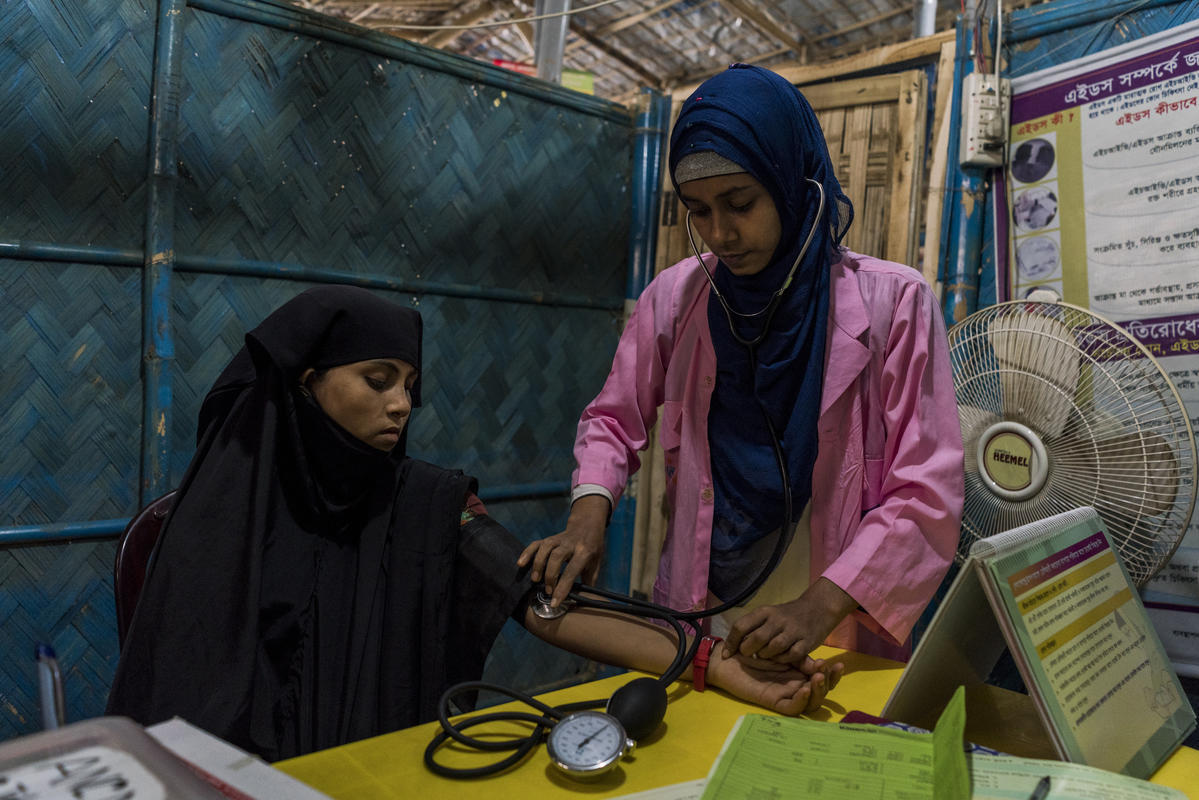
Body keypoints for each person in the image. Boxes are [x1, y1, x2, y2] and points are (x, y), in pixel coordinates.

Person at [106, 284, 840, 762]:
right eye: (378, 380)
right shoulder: (222, 518)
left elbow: (543, 603)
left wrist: (715, 663)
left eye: (411, 386)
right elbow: (180, 693)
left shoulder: (430, 503)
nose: (402, 405)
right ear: (308, 382)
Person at [519, 64, 964, 666]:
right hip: (703, 605)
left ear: (792, 182)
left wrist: (818, 607)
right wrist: (587, 513)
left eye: (740, 202)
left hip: (835, 616)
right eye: (698, 211)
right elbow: (611, 420)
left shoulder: (896, 305)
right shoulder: (677, 299)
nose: (721, 233)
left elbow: (926, 489)